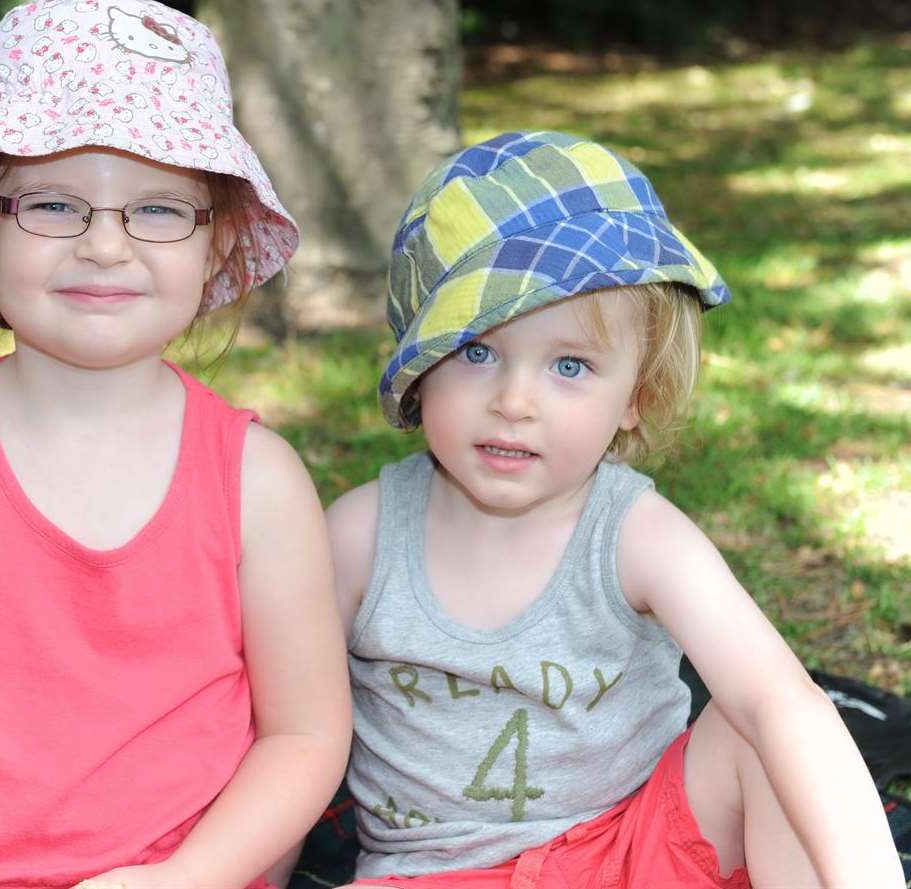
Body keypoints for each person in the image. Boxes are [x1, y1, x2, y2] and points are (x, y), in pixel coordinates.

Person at [0, 2, 351, 887]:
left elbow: (305, 735)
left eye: (159, 209)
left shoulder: (257, 482)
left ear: (218, 239)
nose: (106, 245)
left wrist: (183, 878)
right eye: (53, 203)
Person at [325, 131, 901, 889]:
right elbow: (270, 725)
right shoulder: (358, 535)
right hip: (433, 874)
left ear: (636, 397)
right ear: (417, 365)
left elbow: (777, 700)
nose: (513, 401)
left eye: (570, 365)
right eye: (475, 351)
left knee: (755, 729)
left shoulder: (635, 533)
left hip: (638, 847)